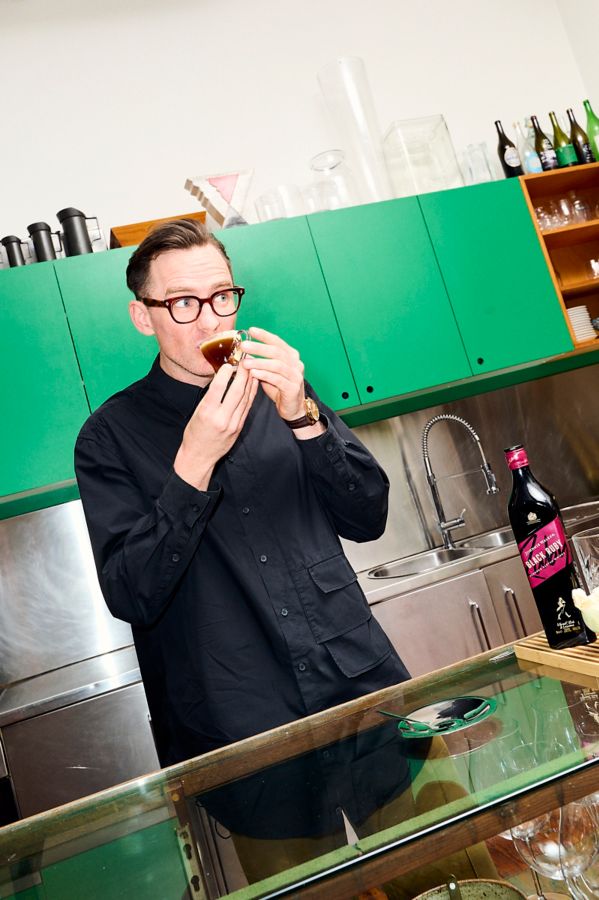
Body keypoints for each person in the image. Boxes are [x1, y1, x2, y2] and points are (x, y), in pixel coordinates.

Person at [74, 218, 497, 891]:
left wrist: (303, 417)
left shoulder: (282, 391)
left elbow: (367, 516)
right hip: (244, 733)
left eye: (222, 296)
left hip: (365, 695)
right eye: (181, 303)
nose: (209, 318)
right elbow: (132, 593)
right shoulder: (108, 438)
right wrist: (192, 465)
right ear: (142, 317)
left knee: (456, 876)